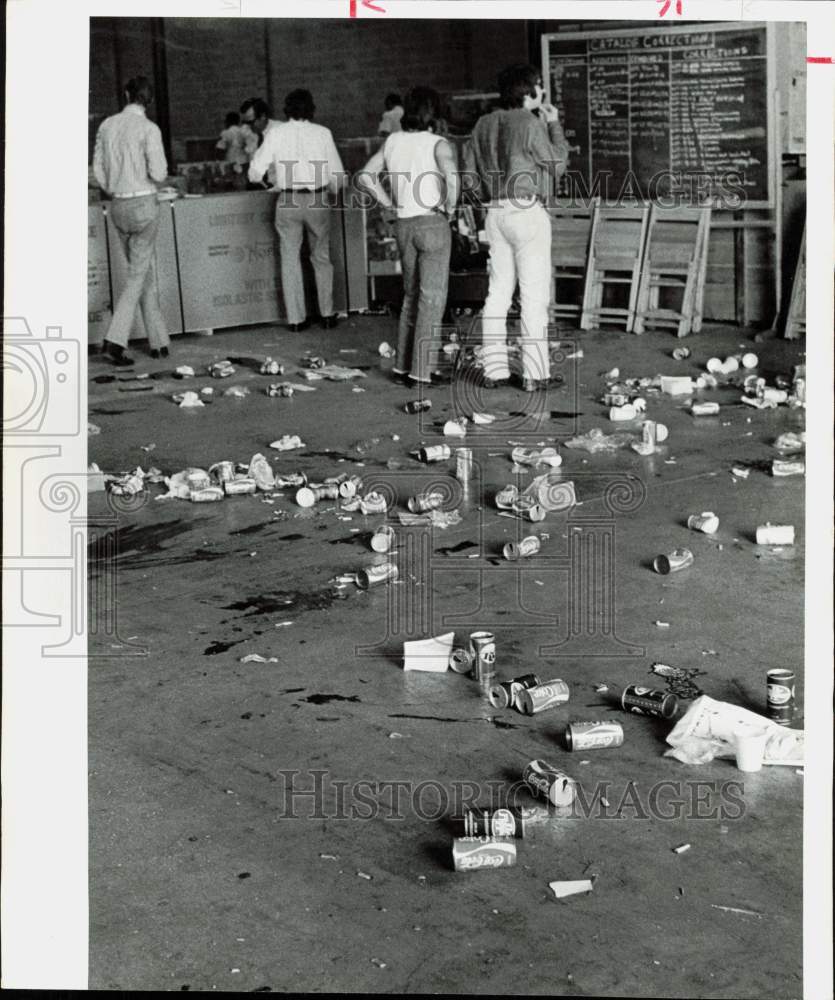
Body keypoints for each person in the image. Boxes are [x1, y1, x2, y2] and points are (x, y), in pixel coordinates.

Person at [463, 64, 569, 391]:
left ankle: (494, 371)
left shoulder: (482, 124)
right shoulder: (530, 122)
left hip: (495, 212)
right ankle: (535, 375)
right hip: (526, 211)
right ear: (528, 91)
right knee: (534, 296)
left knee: (497, 293)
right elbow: (557, 165)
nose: (544, 92)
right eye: (539, 85)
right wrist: (554, 125)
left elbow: (468, 178)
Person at [359, 87, 458, 385]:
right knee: (432, 299)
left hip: (403, 224)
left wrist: (388, 204)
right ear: (433, 112)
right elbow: (452, 177)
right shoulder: (438, 143)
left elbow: (365, 175)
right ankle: (421, 372)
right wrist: (450, 207)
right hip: (432, 222)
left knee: (411, 296)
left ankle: (402, 367)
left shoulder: (392, 141)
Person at [248, 89, 345, 331]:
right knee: (321, 257)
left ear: (286, 109)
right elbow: (338, 175)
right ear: (311, 109)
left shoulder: (276, 133)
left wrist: (268, 182)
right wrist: (331, 190)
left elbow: (255, 172)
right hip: (317, 199)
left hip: (288, 199)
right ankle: (327, 314)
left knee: (290, 259)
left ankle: (296, 320)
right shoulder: (323, 133)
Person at [93, 75, 170, 364]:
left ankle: (159, 341)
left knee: (141, 274)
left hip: (118, 205)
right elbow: (160, 173)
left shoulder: (106, 125)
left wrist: (114, 186)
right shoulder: (149, 129)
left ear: (126, 94)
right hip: (144, 204)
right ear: (148, 100)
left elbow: (98, 168)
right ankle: (115, 339)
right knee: (138, 275)